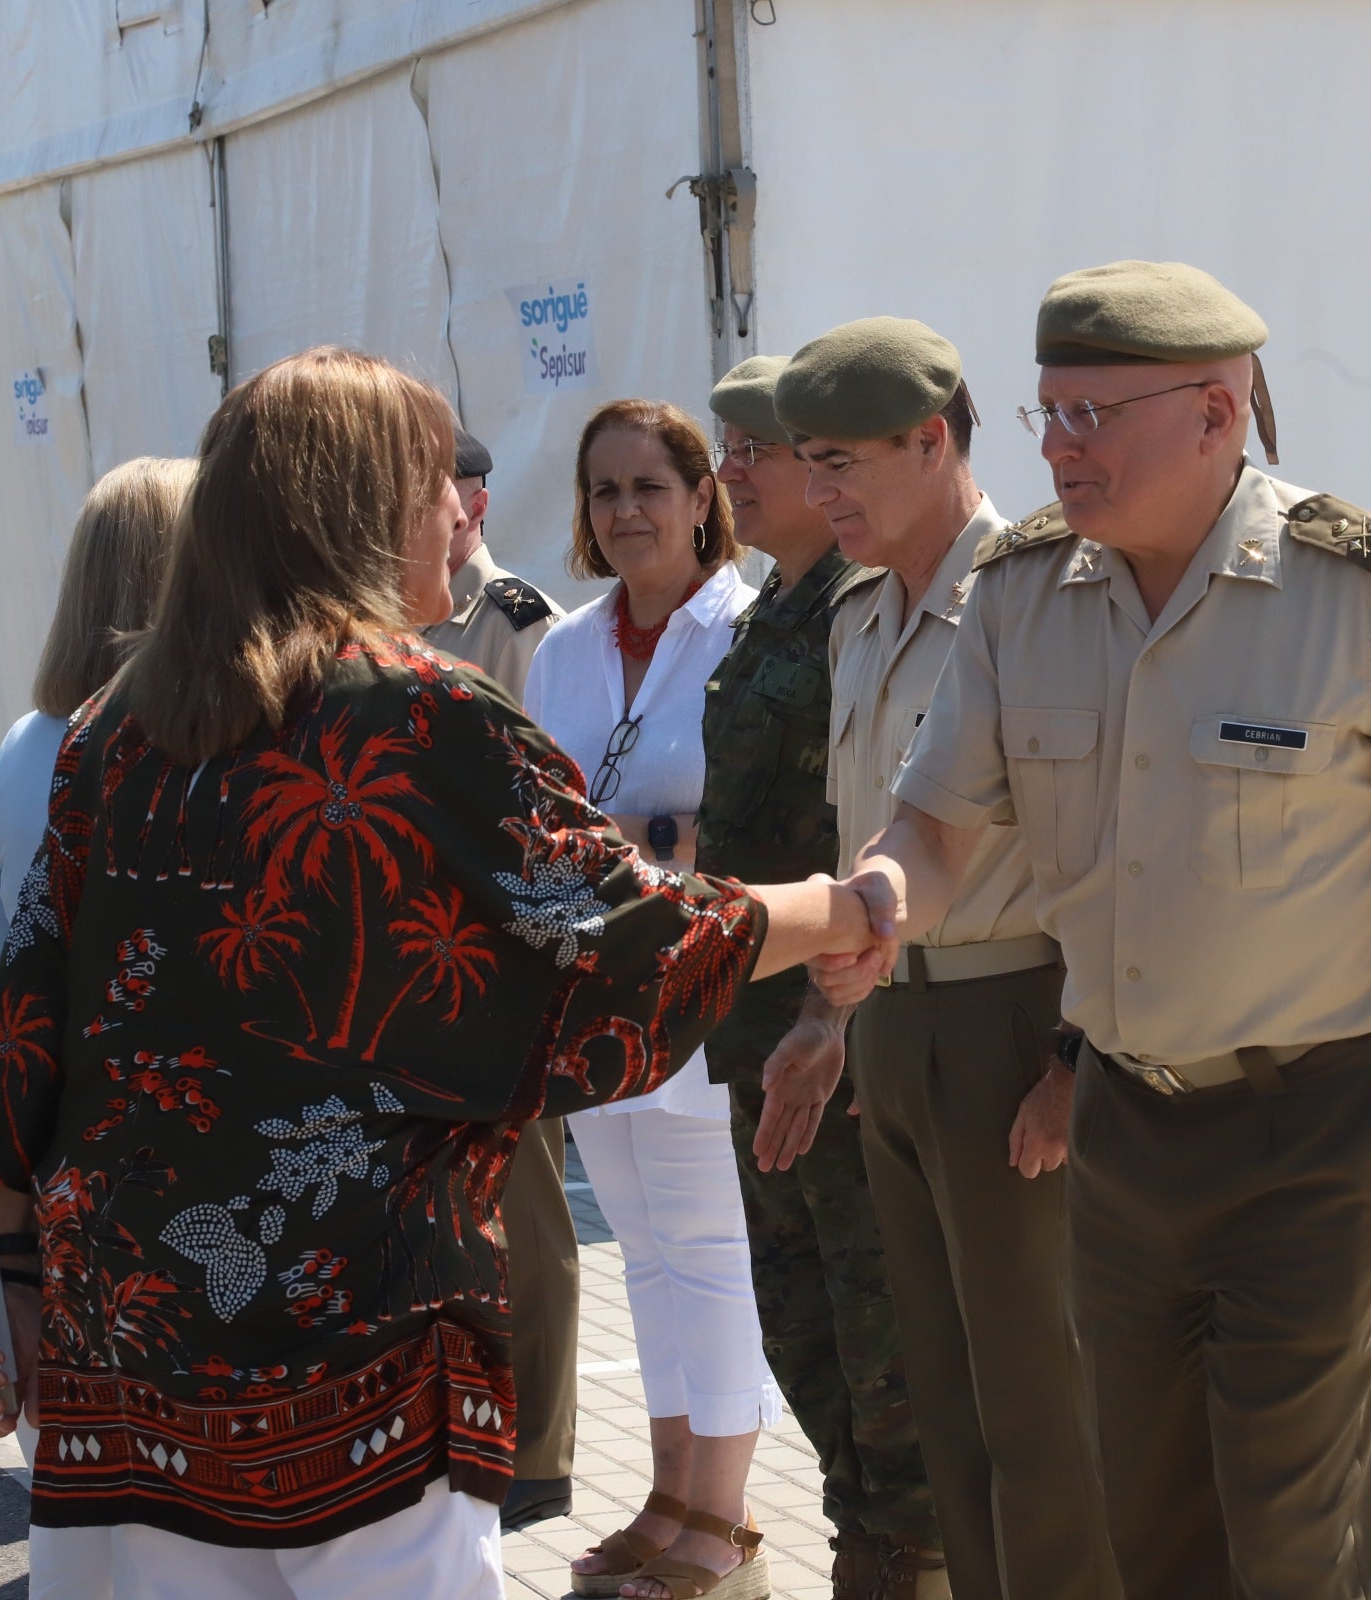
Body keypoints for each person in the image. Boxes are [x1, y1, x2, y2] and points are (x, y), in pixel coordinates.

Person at [0, 347, 877, 1600]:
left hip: (130, 1354)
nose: (458, 510)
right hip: (359, 1354)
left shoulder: (115, 728)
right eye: (435, 481)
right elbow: (624, 934)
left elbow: (19, 1040)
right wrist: (845, 907)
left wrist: (13, 1288)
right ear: (361, 504)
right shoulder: (417, 712)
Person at [817, 262, 1371, 1600]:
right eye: (1047, 413)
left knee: (1289, 1539)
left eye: (1092, 414)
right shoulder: (1023, 595)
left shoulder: (1361, 589)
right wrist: (877, 902)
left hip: (1313, 1126)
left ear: (1216, 413)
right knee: (1150, 1538)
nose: (1058, 446)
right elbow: (932, 829)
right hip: (1124, 1129)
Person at [777, 318, 1116, 1600]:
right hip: (902, 1028)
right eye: (806, 462)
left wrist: (1077, 1057)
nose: (816, 492)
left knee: (1044, 1398)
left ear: (930, 440)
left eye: (839, 461)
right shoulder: (858, 611)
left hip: (1018, 1018)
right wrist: (834, 1022)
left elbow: (1101, 848)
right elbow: (868, 845)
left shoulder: (1041, 595)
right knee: (949, 1410)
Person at [522, 398, 784, 1600]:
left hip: (702, 990)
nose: (625, 510)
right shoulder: (562, 647)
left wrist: (642, 835)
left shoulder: (748, 628)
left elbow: (756, 821)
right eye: (604, 489)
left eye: (649, 486)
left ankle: (724, 1522)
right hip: (591, 996)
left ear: (700, 499)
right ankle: (671, 1496)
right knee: (644, 1253)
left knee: (710, 1252)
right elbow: (534, 819)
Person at [696, 356, 944, 1600]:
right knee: (803, 1320)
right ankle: (869, 1533)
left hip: (836, 1020)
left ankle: (905, 1556)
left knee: (877, 1320)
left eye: (756, 449)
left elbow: (864, 831)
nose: (729, 472)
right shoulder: (783, 610)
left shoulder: (862, 606)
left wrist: (821, 1013)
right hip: (760, 1030)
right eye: (730, 448)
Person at [0, 453, 191, 1600]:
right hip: (140, 1212)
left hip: (32, 1189)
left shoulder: (20, 747)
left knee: (82, 1536)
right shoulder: (154, 759)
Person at [420, 425, 579, 1531]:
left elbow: (548, 803)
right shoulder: (389, 609)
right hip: (415, 966)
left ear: (473, 500)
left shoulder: (518, 625)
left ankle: (541, 1454)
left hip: (502, 966)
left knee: (525, 1214)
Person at [423, 426, 564, 708]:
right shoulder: (385, 610)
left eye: (425, 500)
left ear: (475, 509)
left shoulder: (520, 627)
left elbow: (536, 734)